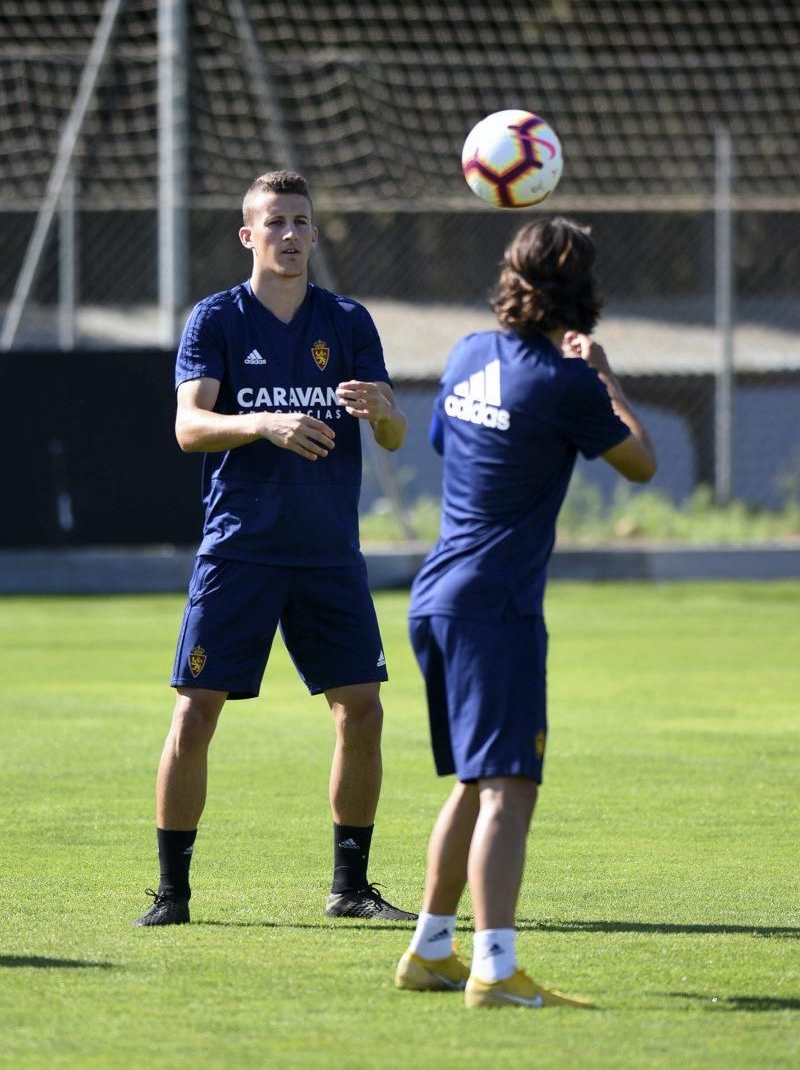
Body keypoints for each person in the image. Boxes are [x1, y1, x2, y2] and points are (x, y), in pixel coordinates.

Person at [134, 170, 415, 926]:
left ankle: (350, 888)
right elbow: (189, 427)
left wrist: (385, 411)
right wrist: (264, 423)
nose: (290, 235)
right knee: (195, 712)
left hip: (328, 551)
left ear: (315, 236)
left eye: (301, 222)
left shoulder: (347, 320)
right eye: (275, 222)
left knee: (362, 711)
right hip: (240, 548)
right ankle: (172, 894)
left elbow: (391, 434)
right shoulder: (217, 320)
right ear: (247, 235)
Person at [394, 216, 657, 1007]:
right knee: (510, 787)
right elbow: (641, 463)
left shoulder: (468, 353)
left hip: (436, 594)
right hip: (495, 606)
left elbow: (448, 441)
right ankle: (495, 970)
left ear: (510, 282)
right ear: (583, 297)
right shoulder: (568, 379)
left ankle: (430, 951)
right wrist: (604, 373)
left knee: (475, 784)